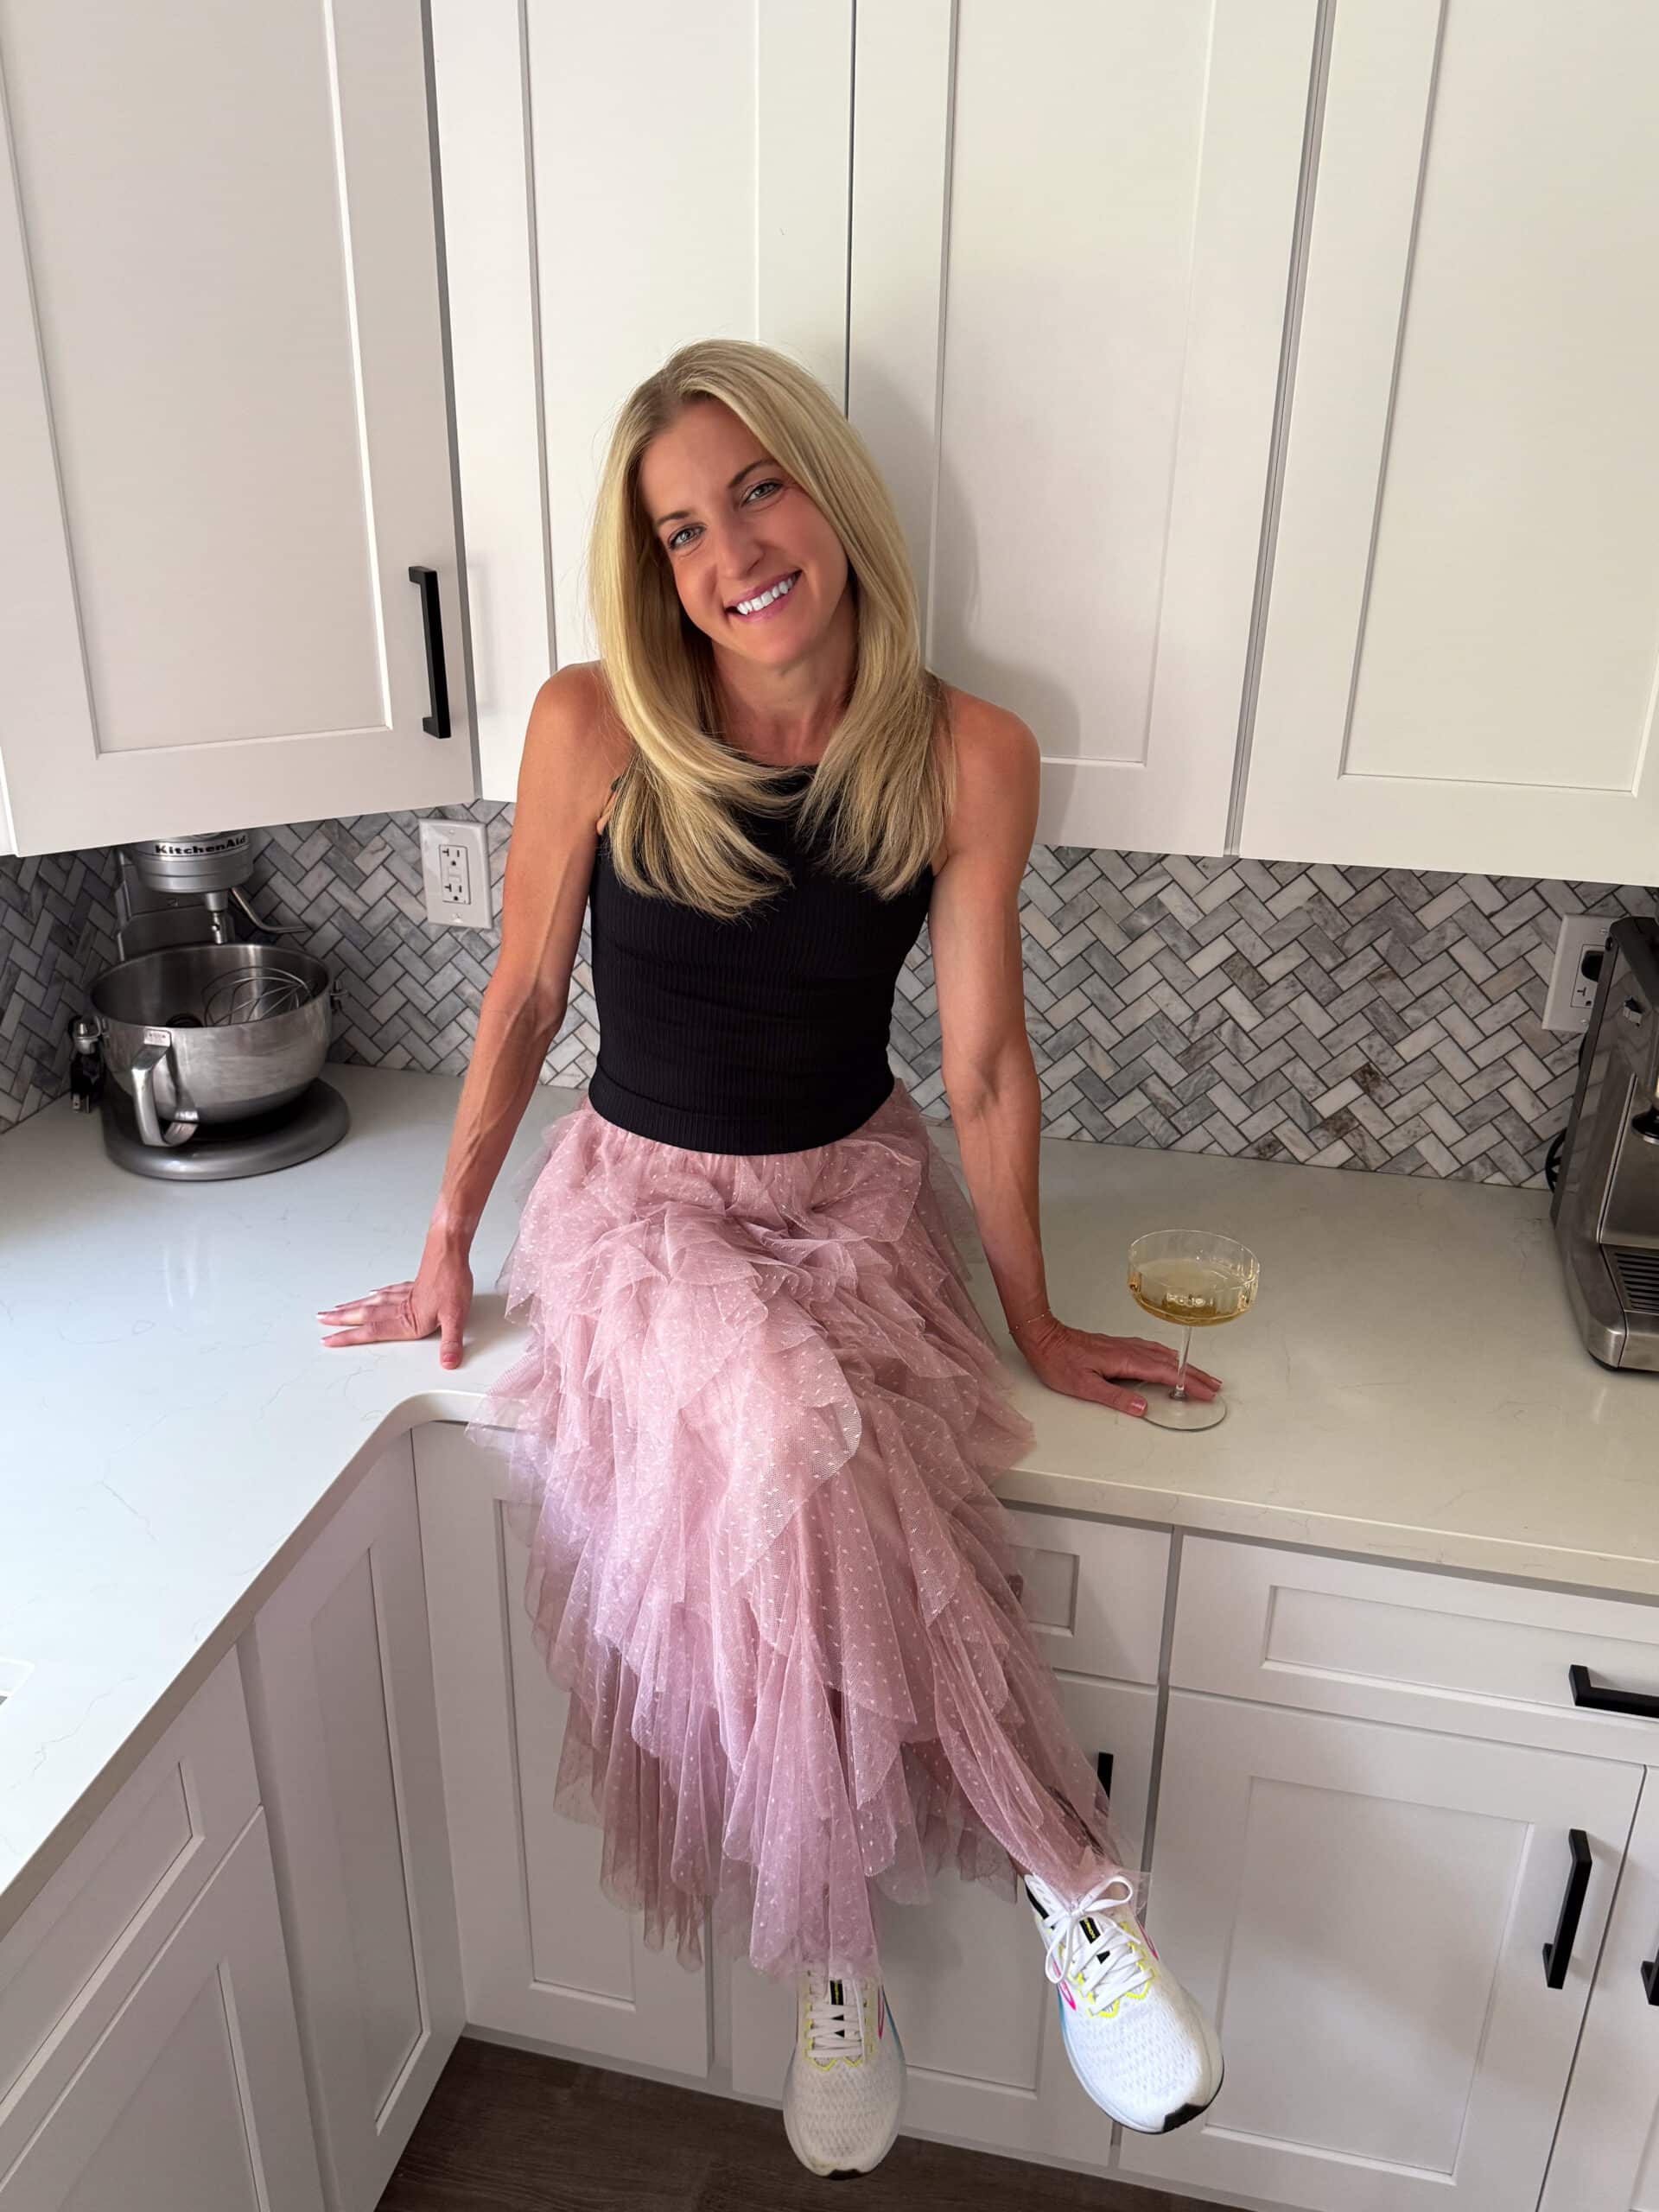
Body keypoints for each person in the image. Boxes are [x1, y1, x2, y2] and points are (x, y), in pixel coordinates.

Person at [318, 338, 1225, 2179]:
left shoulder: (967, 751)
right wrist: (442, 1243)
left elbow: (979, 1064)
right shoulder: (592, 723)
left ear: (829, 492)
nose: (731, 548)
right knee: (798, 1428)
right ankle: (1072, 1893)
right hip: (645, 1208)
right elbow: (521, 995)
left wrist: (1034, 1309)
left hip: (850, 1190)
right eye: (678, 528)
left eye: (757, 488)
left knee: (839, 1461)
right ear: (648, 569)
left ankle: (839, 1963)